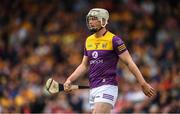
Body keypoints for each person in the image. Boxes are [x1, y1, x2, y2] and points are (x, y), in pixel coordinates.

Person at [64, 8, 155, 113]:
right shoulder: (88, 40)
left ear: (103, 21)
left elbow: (129, 62)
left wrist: (143, 83)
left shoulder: (114, 40)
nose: (90, 22)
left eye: (94, 19)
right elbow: (84, 65)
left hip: (107, 86)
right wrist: (70, 80)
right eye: (89, 19)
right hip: (93, 88)